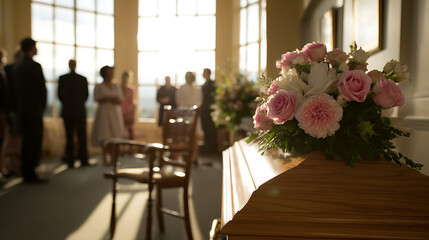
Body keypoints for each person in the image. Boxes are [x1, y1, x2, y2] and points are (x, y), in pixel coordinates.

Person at [13, 37, 47, 183]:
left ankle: (26, 172)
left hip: (21, 110)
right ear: (32, 48)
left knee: (26, 141)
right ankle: (31, 173)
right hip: (34, 110)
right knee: (34, 142)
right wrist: (42, 107)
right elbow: (42, 90)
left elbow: (13, 92)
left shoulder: (16, 67)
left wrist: (17, 109)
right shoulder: (35, 66)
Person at [91, 66, 126, 164]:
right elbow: (96, 98)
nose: (111, 74)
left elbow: (120, 99)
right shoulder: (99, 86)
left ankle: (114, 157)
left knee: (115, 134)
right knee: (104, 134)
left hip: (115, 113)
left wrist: (111, 98)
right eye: (109, 72)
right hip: (103, 113)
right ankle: (105, 157)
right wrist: (107, 98)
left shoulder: (116, 86)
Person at [58, 59, 90, 168]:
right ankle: (83, 160)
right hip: (79, 111)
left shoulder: (63, 78)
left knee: (70, 137)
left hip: (68, 112)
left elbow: (60, 96)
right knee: (80, 137)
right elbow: (86, 95)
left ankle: (71, 161)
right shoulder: (82, 79)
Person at [176, 71, 202, 163]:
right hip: (186, 115)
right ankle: (186, 156)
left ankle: (193, 157)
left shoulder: (197, 88)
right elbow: (179, 101)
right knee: (185, 137)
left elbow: (199, 102)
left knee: (193, 137)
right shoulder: (182, 88)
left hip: (190, 115)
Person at [201, 68, 218, 155]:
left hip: (209, 111)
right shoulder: (205, 84)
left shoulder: (212, 84)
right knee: (206, 130)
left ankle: (212, 149)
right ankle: (207, 148)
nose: (202, 74)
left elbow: (214, 97)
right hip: (204, 111)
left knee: (211, 130)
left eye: (204, 72)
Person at [120, 71, 136, 139]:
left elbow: (131, 101)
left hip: (128, 111)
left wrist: (129, 111)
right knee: (120, 130)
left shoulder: (131, 89)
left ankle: (130, 147)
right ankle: (122, 146)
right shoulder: (118, 88)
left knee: (130, 130)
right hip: (120, 110)